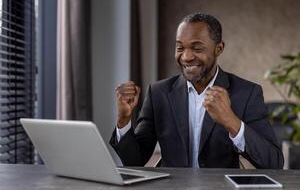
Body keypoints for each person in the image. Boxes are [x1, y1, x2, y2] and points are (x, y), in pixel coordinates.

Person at [110, 12, 284, 169]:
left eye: (197, 48)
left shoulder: (246, 93)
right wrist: (124, 120)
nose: (186, 57)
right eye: (180, 48)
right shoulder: (158, 93)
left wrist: (232, 122)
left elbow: (273, 162)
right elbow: (135, 161)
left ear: (219, 48)